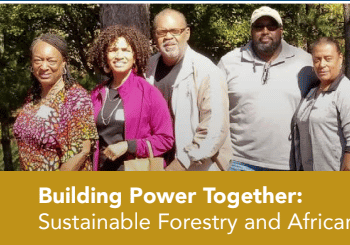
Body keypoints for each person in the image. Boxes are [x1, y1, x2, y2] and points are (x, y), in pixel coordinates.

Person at [218, 6, 318, 171]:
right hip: (238, 163)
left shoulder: (305, 62)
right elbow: (214, 111)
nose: (265, 31)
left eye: (271, 26)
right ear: (251, 31)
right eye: (259, 27)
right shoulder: (229, 62)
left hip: (288, 164)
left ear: (280, 30)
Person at [145, 9, 231, 171]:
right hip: (156, 164)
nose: (168, 37)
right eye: (162, 32)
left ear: (187, 33)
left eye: (175, 31)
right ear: (155, 35)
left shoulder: (207, 71)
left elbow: (214, 129)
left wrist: (180, 165)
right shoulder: (147, 68)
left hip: (197, 167)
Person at [88, 25, 175, 171]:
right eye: (113, 50)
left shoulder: (148, 93)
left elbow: (166, 139)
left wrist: (129, 146)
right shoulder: (97, 93)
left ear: (134, 56)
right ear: (105, 56)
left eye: (125, 50)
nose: (119, 55)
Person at [13, 33, 97, 171]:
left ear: (64, 63)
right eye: (38, 60)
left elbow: (81, 151)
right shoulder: (33, 97)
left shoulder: (75, 98)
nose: (44, 66)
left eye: (51, 61)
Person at [291, 38, 350, 171]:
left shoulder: (346, 92)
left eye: (328, 58)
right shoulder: (312, 92)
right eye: (317, 60)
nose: (322, 64)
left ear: (340, 59)